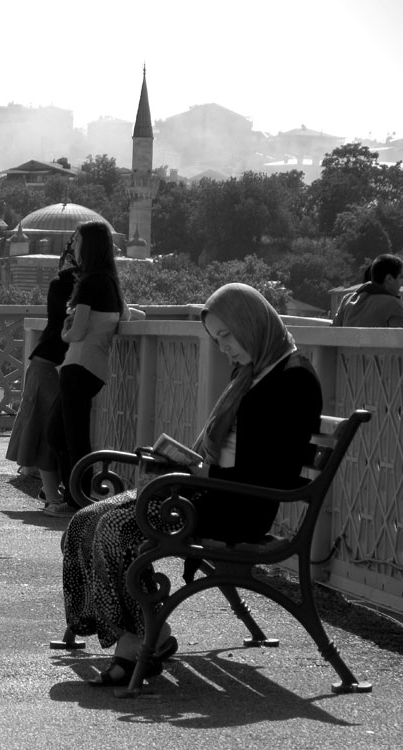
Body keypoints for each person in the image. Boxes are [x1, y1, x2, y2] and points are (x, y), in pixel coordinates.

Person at [58, 282, 322, 686]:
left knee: (112, 530)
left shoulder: (293, 378)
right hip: (209, 494)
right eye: (217, 339)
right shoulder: (254, 370)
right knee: (85, 520)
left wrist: (198, 474)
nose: (224, 347)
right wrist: (187, 468)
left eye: (228, 336)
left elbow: (268, 474)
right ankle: (147, 633)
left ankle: (136, 642)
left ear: (251, 323)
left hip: (238, 507)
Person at [44, 222, 143, 518]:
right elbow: (130, 314)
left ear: (89, 246)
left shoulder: (89, 284)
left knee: (72, 437)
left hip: (78, 366)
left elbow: (76, 332)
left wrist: (65, 329)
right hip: (94, 369)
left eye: (77, 241)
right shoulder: (110, 282)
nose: (73, 246)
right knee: (59, 433)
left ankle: (79, 502)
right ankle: (78, 495)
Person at [6, 243, 80, 509]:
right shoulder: (71, 283)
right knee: (50, 431)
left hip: (47, 361)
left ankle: (48, 490)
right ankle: (51, 496)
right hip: (52, 364)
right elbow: (68, 320)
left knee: (43, 427)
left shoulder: (63, 281)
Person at [332, 253, 403, 327]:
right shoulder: (393, 305)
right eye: (401, 277)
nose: (401, 283)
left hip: (349, 338)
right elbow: (399, 337)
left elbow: (333, 331)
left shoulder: (347, 300)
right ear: (389, 279)